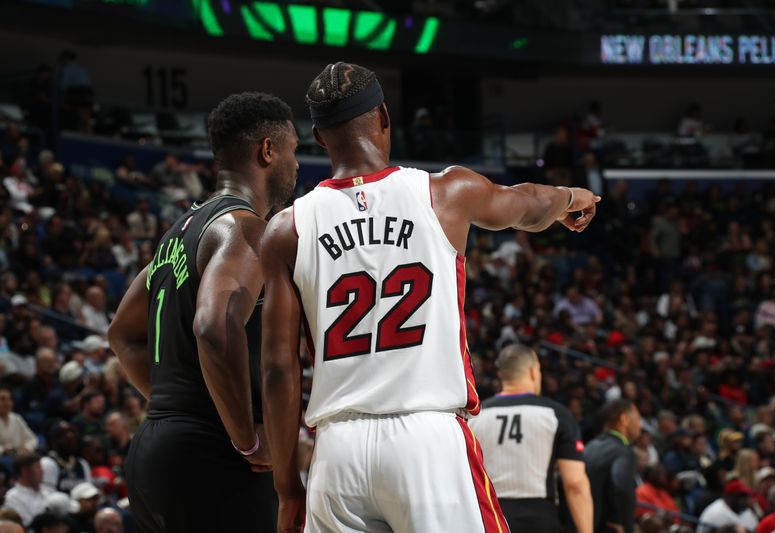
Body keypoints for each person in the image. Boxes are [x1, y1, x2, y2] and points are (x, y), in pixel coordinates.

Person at [260, 62, 600, 532]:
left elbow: (278, 368)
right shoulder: (446, 192)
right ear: (383, 116)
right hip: (427, 436)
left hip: (337, 449)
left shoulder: (286, 229)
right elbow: (529, 205)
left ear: (318, 137)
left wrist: (287, 486)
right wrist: (570, 197)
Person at [108, 92, 298, 533]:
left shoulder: (181, 230)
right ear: (268, 150)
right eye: (292, 150)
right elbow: (213, 327)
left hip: (154, 452)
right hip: (212, 459)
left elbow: (122, 334)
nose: (296, 164)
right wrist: (247, 440)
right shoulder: (245, 228)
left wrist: (175, 407)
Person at [468, 344, 592, 532]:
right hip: (540, 519)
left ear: (501, 375)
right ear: (534, 372)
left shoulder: (474, 417)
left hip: (489, 518)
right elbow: (575, 484)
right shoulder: (556, 414)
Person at [584, 399, 641, 533]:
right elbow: (621, 487)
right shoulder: (623, 450)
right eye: (638, 419)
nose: (640, 425)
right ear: (624, 419)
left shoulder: (588, 448)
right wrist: (627, 526)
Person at [2, 453, 53, 527]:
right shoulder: (12, 497)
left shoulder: (48, 491)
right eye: (38, 467)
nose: (42, 471)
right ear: (25, 472)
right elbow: (27, 523)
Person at [0, 386, 38, 454]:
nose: (7, 403)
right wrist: (2, 450)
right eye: (2, 399)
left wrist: (27, 447)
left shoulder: (16, 418)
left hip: (19, 457)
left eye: (9, 399)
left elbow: (32, 439)